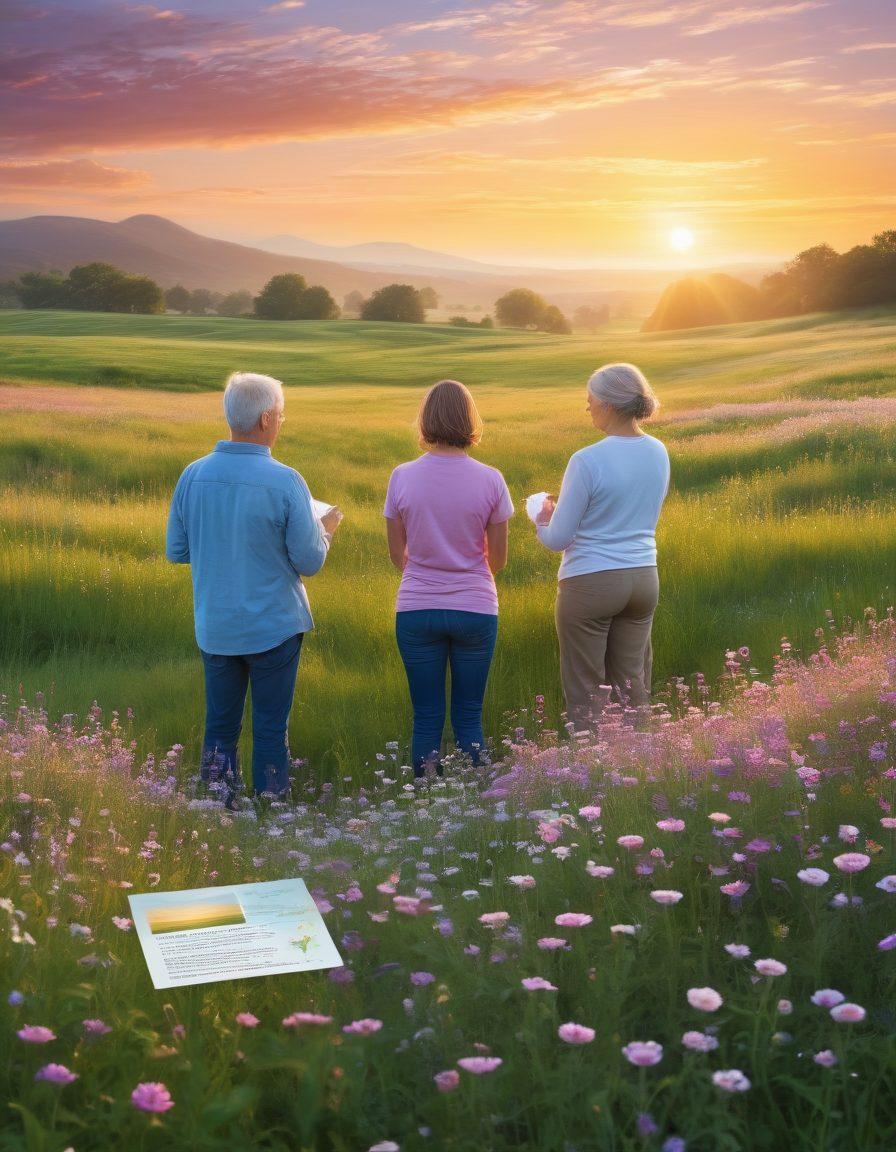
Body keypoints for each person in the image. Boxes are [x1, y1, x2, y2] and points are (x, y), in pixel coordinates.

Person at [165, 371, 343, 802]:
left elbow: (177, 549)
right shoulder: (286, 480)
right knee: (269, 727)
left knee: (220, 727)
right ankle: (271, 813)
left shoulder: (192, 475)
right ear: (266, 419)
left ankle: (217, 811)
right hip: (274, 626)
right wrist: (328, 529)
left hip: (217, 625)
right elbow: (311, 560)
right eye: (280, 415)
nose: (281, 422)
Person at [384, 379, 514, 777]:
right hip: (475, 608)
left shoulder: (402, 476)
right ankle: (476, 799)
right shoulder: (491, 478)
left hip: (417, 609)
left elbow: (397, 556)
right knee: (469, 714)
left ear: (426, 421)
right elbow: (498, 560)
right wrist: (464, 568)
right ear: (469, 420)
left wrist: (428, 566)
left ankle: (424, 801)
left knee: (426, 715)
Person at [534, 363, 669, 727]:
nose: (588, 407)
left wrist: (542, 519)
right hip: (643, 579)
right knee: (633, 685)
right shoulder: (658, 451)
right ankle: (639, 768)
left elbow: (559, 538)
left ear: (609, 405)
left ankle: (590, 772)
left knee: (586, 690)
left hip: (590, 582)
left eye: (590, 400)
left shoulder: (587, 459)